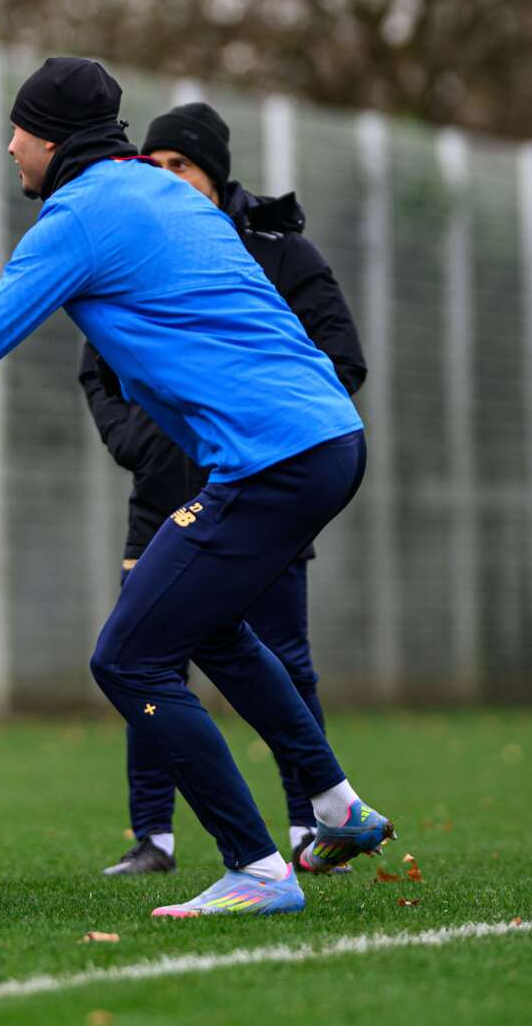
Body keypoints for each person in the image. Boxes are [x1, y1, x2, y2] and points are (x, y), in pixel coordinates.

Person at [0, 58, 393, 918]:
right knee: (208, 628)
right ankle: (335, 806)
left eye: (18, 130)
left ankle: (256, 867)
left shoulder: (81, 217)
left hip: (274, 459)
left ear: (53, 139)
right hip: (328, 442)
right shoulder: (167, 193)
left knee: (127, 658)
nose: (9, 146)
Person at [86, 102, 367, 878]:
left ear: (217, 175)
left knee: (269, 655)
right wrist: (159, 446)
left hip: (268, 487)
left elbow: (338, 362)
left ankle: (305, 829)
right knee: (146, 662)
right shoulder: (127, 246)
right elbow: (101, 377)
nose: (167, 179)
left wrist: (256, 429)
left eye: (183, 166)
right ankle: (158, 835)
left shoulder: (279, 253)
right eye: (156, 165)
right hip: (166, 501)